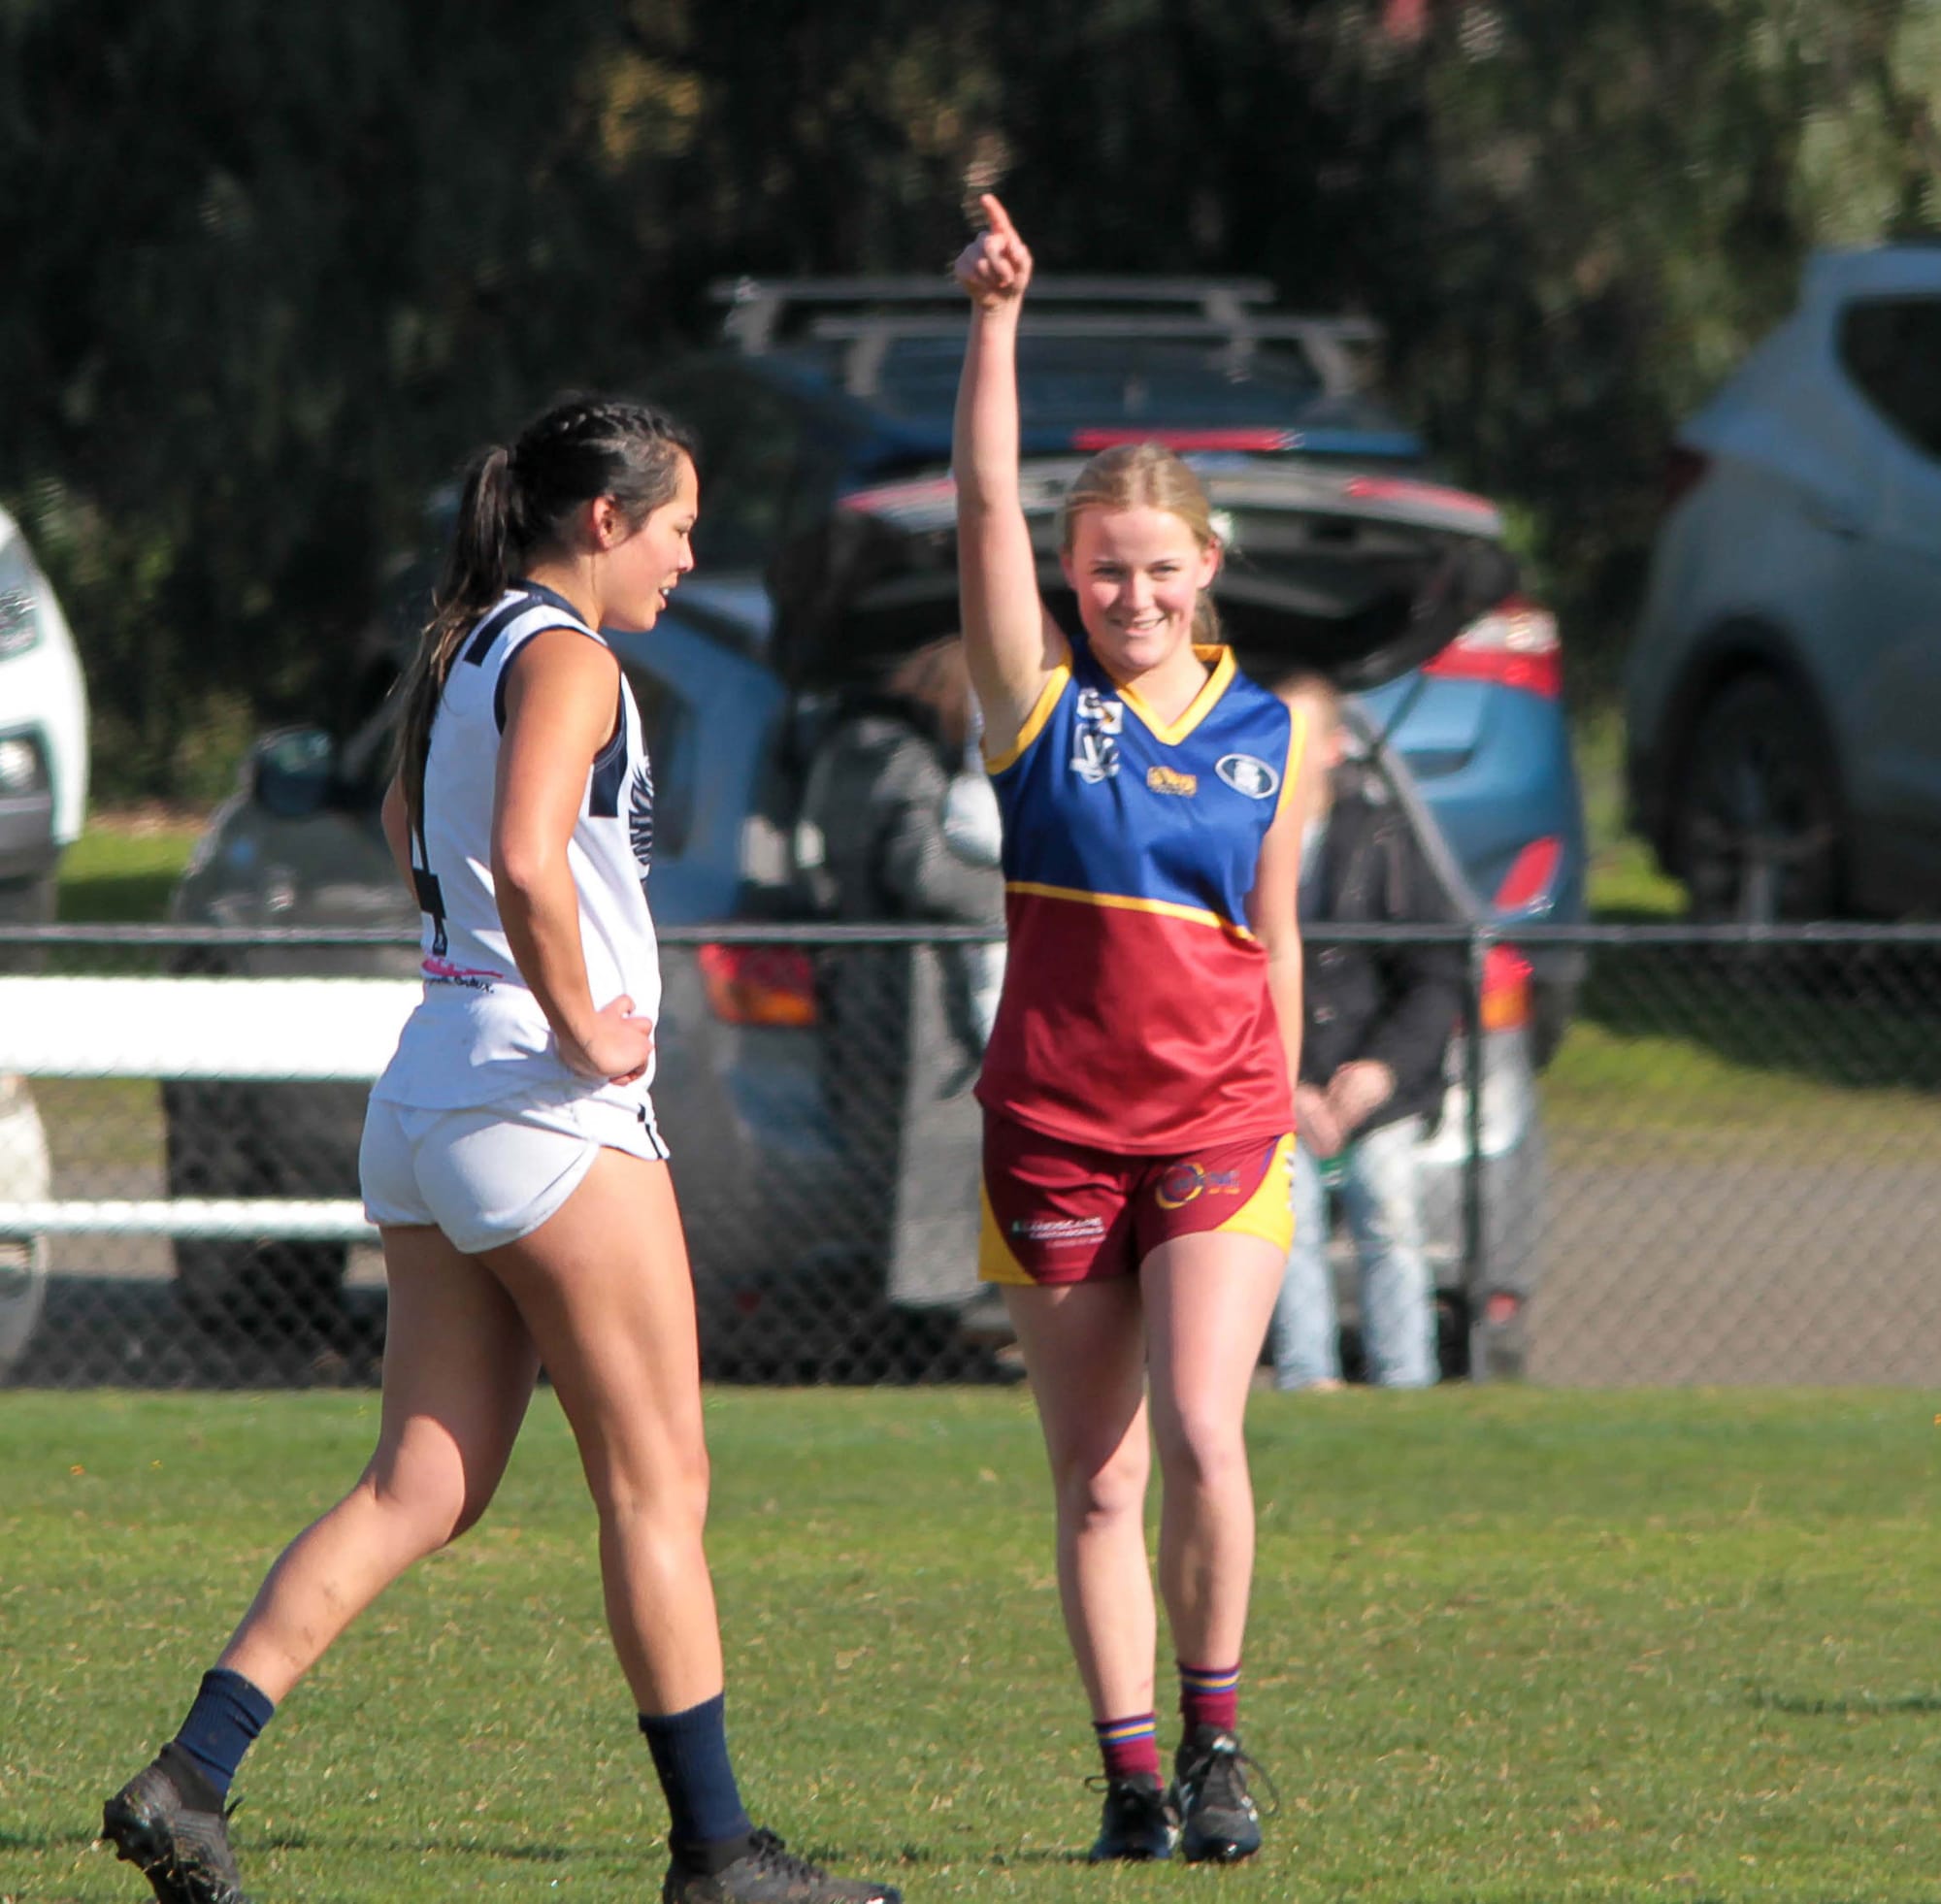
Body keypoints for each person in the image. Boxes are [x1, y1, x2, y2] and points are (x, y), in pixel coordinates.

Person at [101, 396, 900, 1904]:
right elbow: (527, 853)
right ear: (603, 520)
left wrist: (492, 959)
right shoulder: (569, 653)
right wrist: (585, 1014)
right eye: (675, 526)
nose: (685, 555)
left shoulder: (467, 644)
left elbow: (418, 818)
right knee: (660, 1486)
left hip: (430, 1096)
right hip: (544, 1107)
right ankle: (718, 1853)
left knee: (424, 1483)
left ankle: (190, 1776)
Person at [952, 196, 1306, 1865]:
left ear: (1208, 570)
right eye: (1106, 569)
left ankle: (1223, 1740)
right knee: (1097, 1478)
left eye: (1161, 567)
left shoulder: (1268, 731)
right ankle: (1132, 1778)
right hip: (1053, 1126)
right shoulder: (1038, 713)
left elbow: (1275, 930)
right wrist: (996, 323)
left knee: (1207, 1428)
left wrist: (1286, 1095)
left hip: (1224, 1128)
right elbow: (978, 511)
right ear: (1072, 577)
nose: (1134, 592)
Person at [793, 636, 1005, 1314]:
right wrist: (1033, 897)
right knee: (927, 1162)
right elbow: (924, 871)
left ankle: (930, 1306)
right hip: (911, 996)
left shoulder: (854, 750)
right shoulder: (898, 759)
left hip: (872, 986)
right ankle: (933, 1310)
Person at [1267, 674, 1465, 1393]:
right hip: (1275, 1088)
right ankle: (1306, 1380)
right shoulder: (1232, 842)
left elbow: (1436, 973)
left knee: (1387, 1203)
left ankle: (1405, 1383)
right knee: (1283, 1217)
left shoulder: (1382, 837)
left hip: (1376, 1085)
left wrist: (1379, 1071)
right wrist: (1285, 1086)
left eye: (1295, 738)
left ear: (1333, 748)